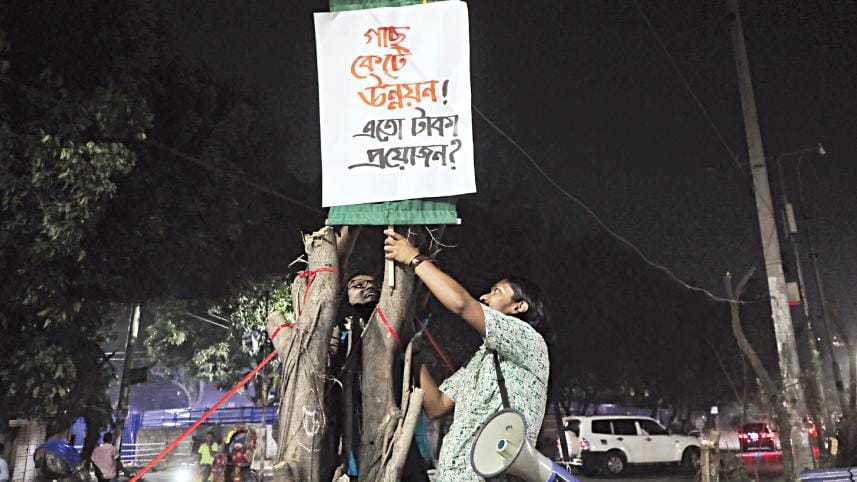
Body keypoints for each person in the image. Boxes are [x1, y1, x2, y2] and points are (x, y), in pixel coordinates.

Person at [384, 229, 551, 482]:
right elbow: (437, 405)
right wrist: (413, 351)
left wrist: (414, 258)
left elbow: (462, 304)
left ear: (519, 306)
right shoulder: (484, 359)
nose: (484, 296)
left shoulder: (528, 340)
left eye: (497, 291)